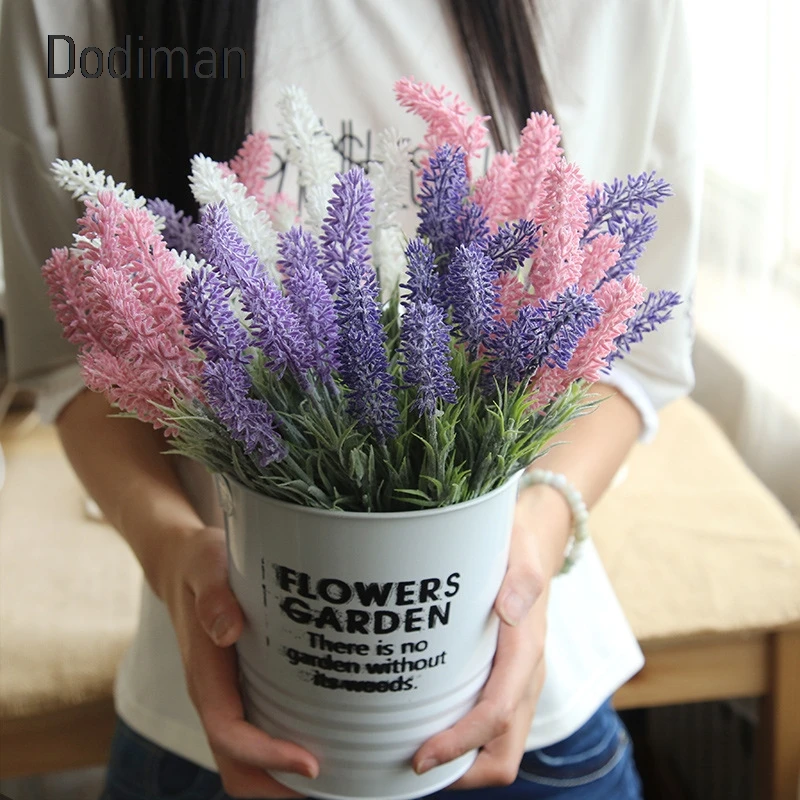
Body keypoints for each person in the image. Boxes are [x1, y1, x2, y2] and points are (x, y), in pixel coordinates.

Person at [0, 0, 699, 797]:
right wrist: (170, 552)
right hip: (216, 718)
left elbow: (637, 353)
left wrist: (538, 535)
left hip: (523, 711)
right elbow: (71, 366)